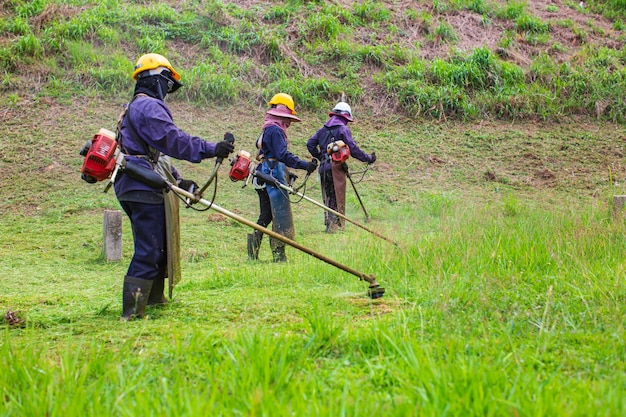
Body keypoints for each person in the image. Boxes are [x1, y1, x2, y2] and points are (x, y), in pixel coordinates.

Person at [114, 53, 234, 320]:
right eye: (167, 84)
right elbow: (172, 140)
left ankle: (155, 298)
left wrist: (179, 181)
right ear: (157, 79)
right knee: (149, 248)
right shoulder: (149, 107)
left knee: (156, 245)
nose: (167, 91)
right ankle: (132, 313)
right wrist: (211, 148)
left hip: (136, 182)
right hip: (141, 186)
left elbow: (153, 154)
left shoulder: (135, 106)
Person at [248, 93, 318, 262]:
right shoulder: (276, 130)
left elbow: (272, 154)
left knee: (266, 215)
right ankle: (278, 255)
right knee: (279, 215)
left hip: (266, 173)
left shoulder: (268, 128)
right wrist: (303, 165)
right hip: (271, 175)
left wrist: (288, 173)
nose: (289, 123)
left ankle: (253, 252)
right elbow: (282, 154)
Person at [306, 101, 376, 233]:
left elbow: (310, 144)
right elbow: (353, 149)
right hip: (336, 167)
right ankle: (335, 226)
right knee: (337, 195)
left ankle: (330, 223)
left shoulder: (322, 130)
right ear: (345, 117)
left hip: (323, 167)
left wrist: (321, 157)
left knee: (328, 195)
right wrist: (368, 158)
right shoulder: (342, 129)